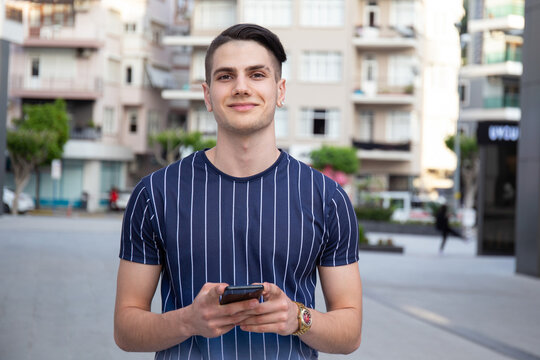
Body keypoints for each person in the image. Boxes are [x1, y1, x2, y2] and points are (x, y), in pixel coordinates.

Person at [114, 24, 362, 359]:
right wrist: (188, 321)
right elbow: (126, 330)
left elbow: (349, 334)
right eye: (226, 76)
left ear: (280, 90)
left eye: (257, 74)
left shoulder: (327, 199)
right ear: (207, 95)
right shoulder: (155, 195)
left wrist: (297, 318)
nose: (241, 87)